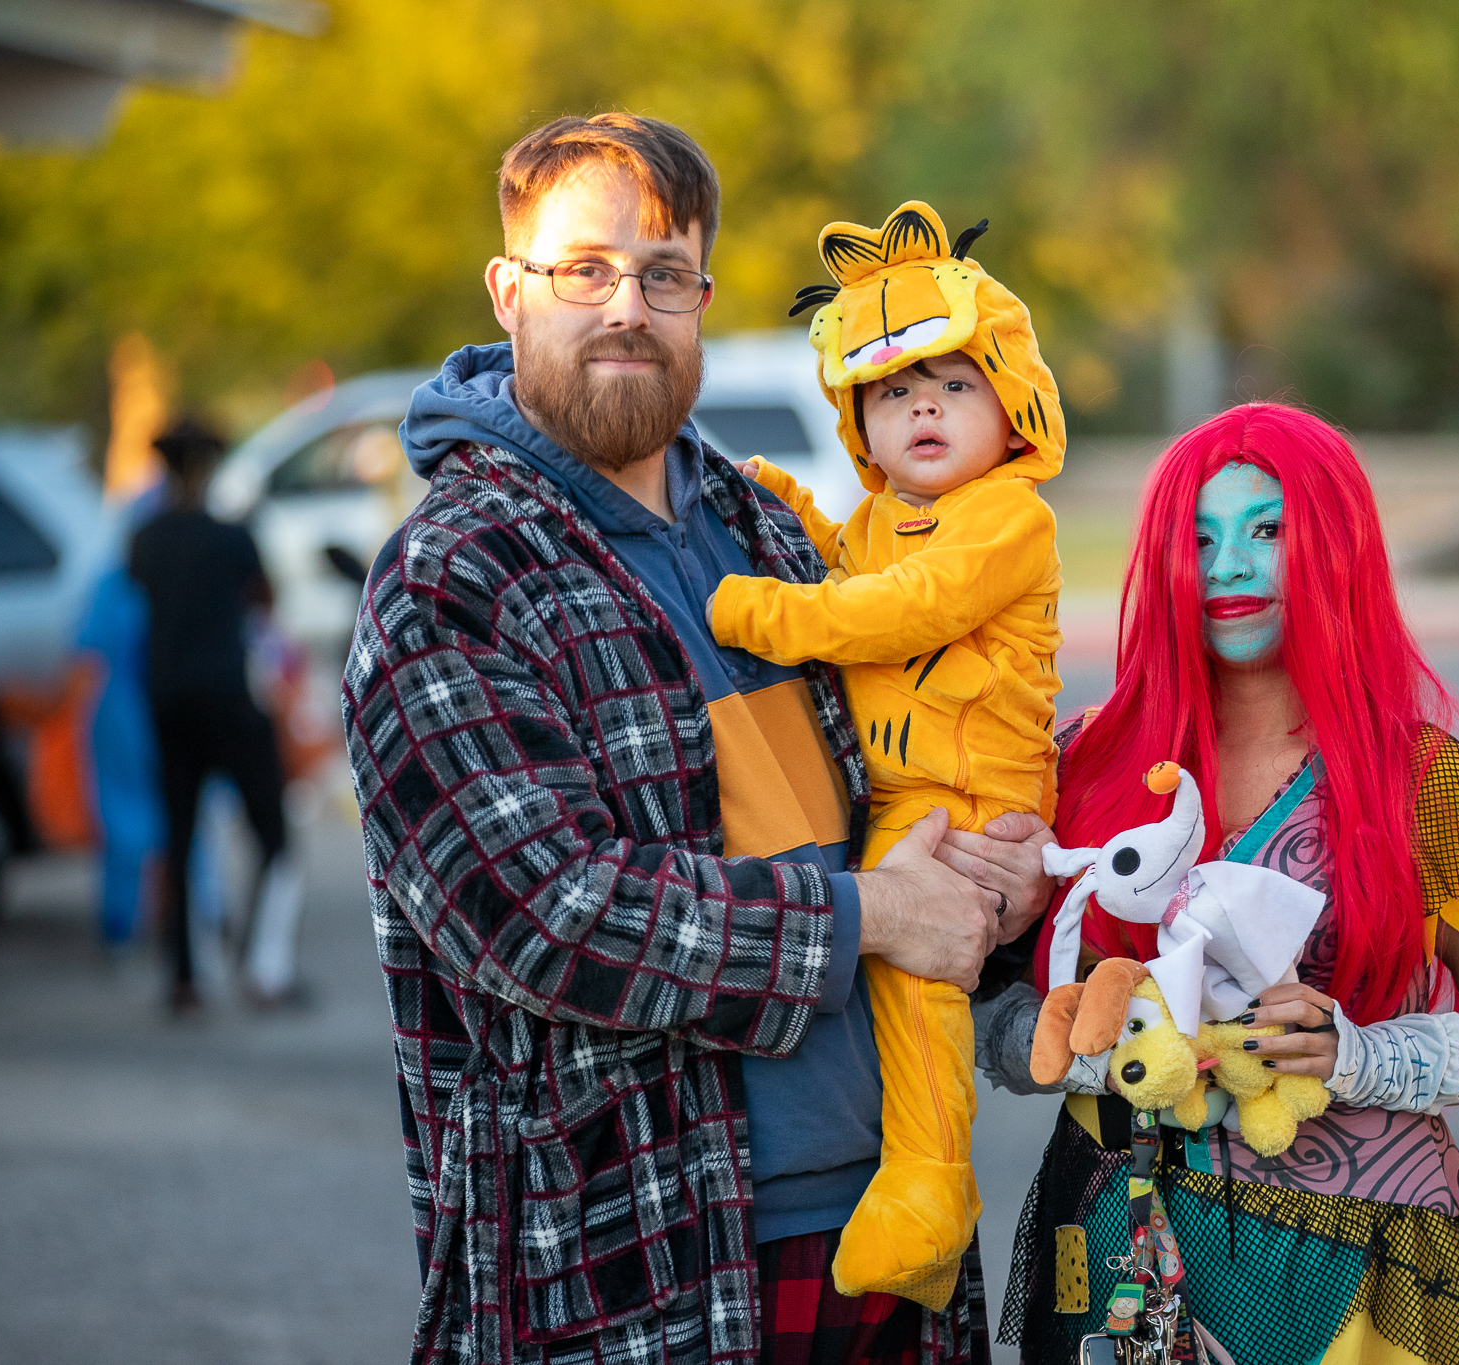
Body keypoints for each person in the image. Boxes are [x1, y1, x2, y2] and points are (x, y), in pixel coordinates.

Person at [342, 113, 1016, 1365]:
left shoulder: (769, 531)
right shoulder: (451, 578)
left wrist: (994, 881)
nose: (625, 308)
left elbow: (895, 791)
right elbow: (543, 915)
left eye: (663, 274)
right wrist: (872, 915)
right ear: (509, 292)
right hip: (633, 1264)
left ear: (701, 295)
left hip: (887, 1225)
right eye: (583, 269)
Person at [978, 404, 1459, 1363]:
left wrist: (1355, 1054)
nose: (1229, 565)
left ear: (1336, 549)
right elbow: (983, 995)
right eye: (1199, 536)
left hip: (1354, 1264)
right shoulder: (1076, 761)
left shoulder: (1433, 785)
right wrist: (1087, 1049)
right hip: (1114, 1240)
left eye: (1268, 531)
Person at [708, 200, 1065, 1309]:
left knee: (922, 991)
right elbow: (852, 572)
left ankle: (931, 1187)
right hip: (896, 793)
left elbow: (897, 614)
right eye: (892, 390)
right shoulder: (884, 516)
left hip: (968, 798)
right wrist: (794, 514)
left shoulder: (1009, 519)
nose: (921, 406)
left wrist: (759, 610)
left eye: (953, 385)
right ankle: (899, 1169)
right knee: (876, 976)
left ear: (1011, 408)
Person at [127, 420, 303, 1012]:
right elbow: (265, 599)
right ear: (208, 470)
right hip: (230, 697)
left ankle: (184, 976)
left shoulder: (143, 538)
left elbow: (137, 595)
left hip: (167, 698)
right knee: (274, 833)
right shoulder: (233, 536)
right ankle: (265, 969)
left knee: (180, 834)